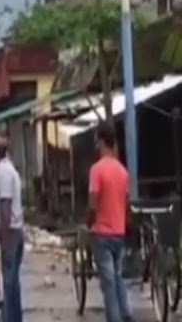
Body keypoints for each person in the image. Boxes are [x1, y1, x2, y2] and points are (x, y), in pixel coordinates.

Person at [88, 122, 133, 322]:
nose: (95, 145)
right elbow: (126, 204)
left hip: (102, 234)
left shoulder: (97, 170)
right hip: (119, 232)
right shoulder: (123, 171)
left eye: (97, 140)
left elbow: (92, 203)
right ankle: (127, 313)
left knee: (108, 282)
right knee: (118, 276)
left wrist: (88, 224)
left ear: (102, 142)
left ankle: (114, 319)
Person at [0, 135, 24, 322]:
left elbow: (5, 207)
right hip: (11, 232)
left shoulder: (3, 173)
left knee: (7, 285)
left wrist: (4, 241)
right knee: (12, 283)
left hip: (9, 234)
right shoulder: (4, 171)